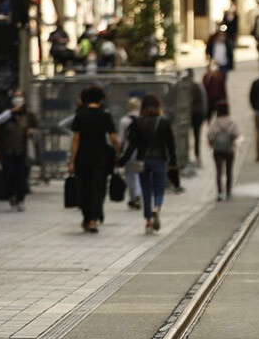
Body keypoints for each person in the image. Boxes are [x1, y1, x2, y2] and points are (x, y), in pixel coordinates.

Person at [120, 94, 177, 232]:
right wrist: (173, 162)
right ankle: (156, 208)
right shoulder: (164, 122)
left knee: (146, 190)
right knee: (159, 188)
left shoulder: (138, 123)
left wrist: (122, 161)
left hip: (142, 160)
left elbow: (132, 145)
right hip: (159, 160)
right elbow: (171, 144)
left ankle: (148, 222)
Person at [67, 85, 119, 233]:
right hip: (100, 157)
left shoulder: (80, 115)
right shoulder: (105, 115)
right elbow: (113, 137)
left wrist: (72, 160)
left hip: (83, 157)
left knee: (84, 187)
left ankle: (86, 217)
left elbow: (76, 139)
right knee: (99, 188)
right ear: (101, 99)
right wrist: (118, 152)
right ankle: (94, 219)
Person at [0, 89, 38, 212]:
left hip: (22, 151)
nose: (18, 99)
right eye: (15, 96)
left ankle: (20, 199)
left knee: (22, 176)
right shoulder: (7, 114)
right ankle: (11, 196)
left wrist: (31, 131)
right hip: (7, 150)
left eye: (20, 96)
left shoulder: (29, 114)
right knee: (9, 175)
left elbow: (36, 127)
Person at [207, 102, 239, 201]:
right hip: (229, 149)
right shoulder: (231, 122)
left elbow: (209, 135)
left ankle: (220, 192)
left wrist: (212, 144)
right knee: (229, 171)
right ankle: (229, 191)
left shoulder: (215, 122)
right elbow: (236, 134)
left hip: (217, 150)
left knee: (219, 171)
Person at [118, 98, 144, 210]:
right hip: (142, 150)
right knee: (140, 174)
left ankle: (134, 197)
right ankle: (139, 194)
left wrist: (118, 152)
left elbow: (121, 138)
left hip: (129, 151)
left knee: (131, 175)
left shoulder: (124, 120)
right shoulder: (144, 119)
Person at [187, 69, 207, 163]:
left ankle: (194, 155)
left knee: (191, 135)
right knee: (196, 135)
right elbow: (204, 101)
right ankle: (196, 155)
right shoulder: (197, 86)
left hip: (193, 114)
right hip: (197, 114)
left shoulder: (186, 87)